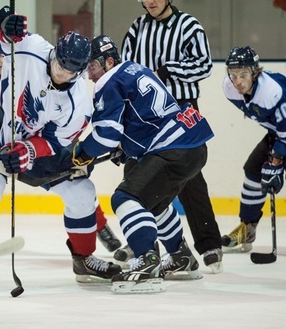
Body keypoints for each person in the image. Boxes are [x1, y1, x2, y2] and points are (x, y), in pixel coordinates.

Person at [0, 34, 122, 289]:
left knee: (82, 191)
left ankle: (84, 258)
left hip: (34, 148)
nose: (61, 74)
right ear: (54, 53)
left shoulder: (80, 103)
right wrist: (1, 24)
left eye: (70, 72)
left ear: (80, 72)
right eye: (59, 65)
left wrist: (28, 151)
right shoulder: (32, 46)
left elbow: (54, 141)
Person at [78, 35, 214, 293]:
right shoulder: (136, 68)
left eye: (92, 67)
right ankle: (180, 257)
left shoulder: (109, 81)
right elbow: (144, 118)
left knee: (124, 198)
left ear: (108, 61)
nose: (90, 75)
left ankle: (147, 261)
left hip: (172, 148)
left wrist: (82, 153)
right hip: (192, 144)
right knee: (155, 202)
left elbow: (106, 135)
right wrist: (126, 147)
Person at [119, 0, 223, 273]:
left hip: (180, 107)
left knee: (189, 175)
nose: (150, 1)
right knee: (135, 171)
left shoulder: (188, 25)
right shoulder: (137, 27)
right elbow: (125, 66)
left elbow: (204, 66)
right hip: (145, 111)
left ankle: (209, 243)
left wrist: (167, 70)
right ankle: (144, 241)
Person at [221, 46, 286, 255]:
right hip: (283, 127)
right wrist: (272, 161)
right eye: (233, 75)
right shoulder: (230, 88)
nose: (237, 81)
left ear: (255, 72)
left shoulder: (272, 91)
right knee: (254, 169)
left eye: (243, 74)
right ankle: (247, 229)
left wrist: (276, 161)